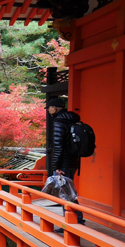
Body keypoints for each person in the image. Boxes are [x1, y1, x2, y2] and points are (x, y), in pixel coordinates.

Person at [46, 97, 84, 227]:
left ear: (55, 108)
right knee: (68, 192)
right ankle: (75, 220)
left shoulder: (59, 122)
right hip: (73, 160)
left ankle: (75, 221)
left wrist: (56, 166)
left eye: (49, 108)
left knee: (66, 194)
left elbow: (58, 146)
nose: (49, 111)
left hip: (64, 163)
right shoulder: (73, 120)